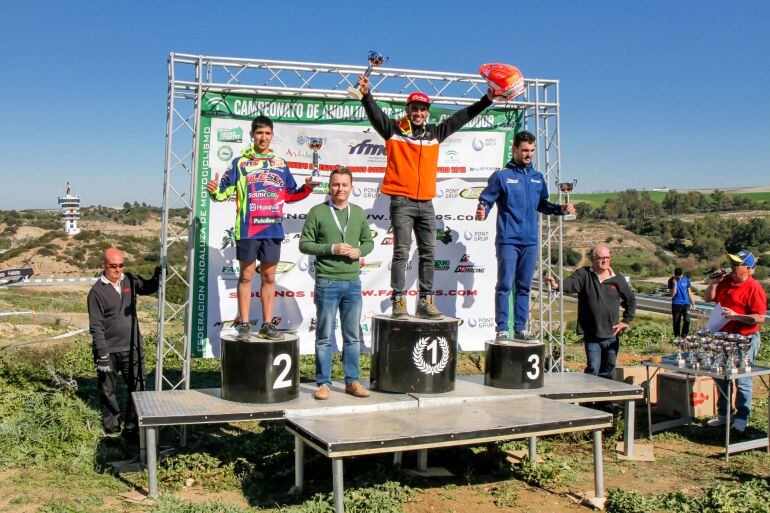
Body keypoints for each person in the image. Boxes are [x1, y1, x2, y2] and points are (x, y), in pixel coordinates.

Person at [356, 74, 496, 320]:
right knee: (401, 251)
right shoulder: (394, 130)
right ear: (407, 110)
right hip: (401, 202)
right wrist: (367, 95)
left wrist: (487, 99)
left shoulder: (435, 133)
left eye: (422, 109)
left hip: (426, 203)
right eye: (414, 108)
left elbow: (462, 117)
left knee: (428, 253)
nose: (418, 112)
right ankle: (399, 301)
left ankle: (425, 302)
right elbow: (375, 114)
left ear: (427, 112)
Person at [207, 115, 319, 341]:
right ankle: (244, 325)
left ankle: (268, 324)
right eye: (259, 133)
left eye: (267, 133)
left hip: (272, 229)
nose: (263, 137)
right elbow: (224, 192)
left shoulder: (280, 164)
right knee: (247, 276)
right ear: (252, 135)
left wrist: (307, 188)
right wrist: (214, 191)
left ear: (272, 136)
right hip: (248, 229)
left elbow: (289, 194)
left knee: (269, 277)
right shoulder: (239, 163)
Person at [476, 131, 576, 341]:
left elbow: (543, 205)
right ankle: (502, 328)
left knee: (524, 285)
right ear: (515, 150)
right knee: (505, 284)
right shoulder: (502, 176)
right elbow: (486, 199)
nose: (529, 154)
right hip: (508, 240)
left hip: (530, 241)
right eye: (525, 150)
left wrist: (562, 209)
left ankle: (520, 328)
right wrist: (482, 208)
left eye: (531, 150)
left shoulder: (538, 178)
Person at [299, 168, 374, 400]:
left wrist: (359, 250)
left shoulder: (358, 213)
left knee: (352, 337)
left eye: (344, 185)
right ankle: (323, 384)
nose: (340, 189)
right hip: (327, 281)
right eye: (335, 185)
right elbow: (304, 244)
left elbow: (369, 242)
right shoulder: (317, 212)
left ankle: (352, 382)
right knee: (323, 336)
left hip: (352, 282)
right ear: (329, 187)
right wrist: (331, 249)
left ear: (351, 187)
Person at [87, 248, 160, 443]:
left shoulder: (130, 281)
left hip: (132, 347)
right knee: (107, 390)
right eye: (113, 266)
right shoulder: (96, 292)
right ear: (104, 265)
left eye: (120, 265)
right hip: (108, 351)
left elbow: (147, 288)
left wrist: (157, 278)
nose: (117, 270)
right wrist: (101, 353)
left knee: (137, 388)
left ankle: (131, 428)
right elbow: (96, 325)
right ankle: (111, 429)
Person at [547, 245, 636, 379]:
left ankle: (606, 399)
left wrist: (626, 321)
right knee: (593, 368)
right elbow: (571, 283)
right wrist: (557, 285)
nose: (604, 261)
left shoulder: (618, 279)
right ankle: (589, 399)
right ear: (593, 259)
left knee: (609, 369)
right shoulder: (584, 274)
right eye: (600, 258)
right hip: (592, 334)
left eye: (607, 258)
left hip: (612, 334)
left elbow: (631, 300)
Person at [704, 249, 766, 433]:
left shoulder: (754, 288)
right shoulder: (725, 281)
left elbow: (760, 317)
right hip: (723, 337)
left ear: (747, 268)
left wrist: (737, 316)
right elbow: (709, 298)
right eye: (732, 263)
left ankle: (742, 417)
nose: (732, 267)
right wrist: (713, 284)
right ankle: (724, 414)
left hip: (745, 339)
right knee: (720, 377)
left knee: (742, 380)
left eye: (736, 264)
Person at [667, 267, 697, 337]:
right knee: (676, 321)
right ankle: (677, 337)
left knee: (687, 320)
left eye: (681, 276)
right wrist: (675, 284)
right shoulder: (671, 280)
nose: (680, 278)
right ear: (675, 275)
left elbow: (689, 292)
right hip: (676, 304)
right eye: (678, 277)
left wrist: (693, 303)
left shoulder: (686, 279)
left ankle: (684, 336)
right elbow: (672, 294)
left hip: (686, 303)